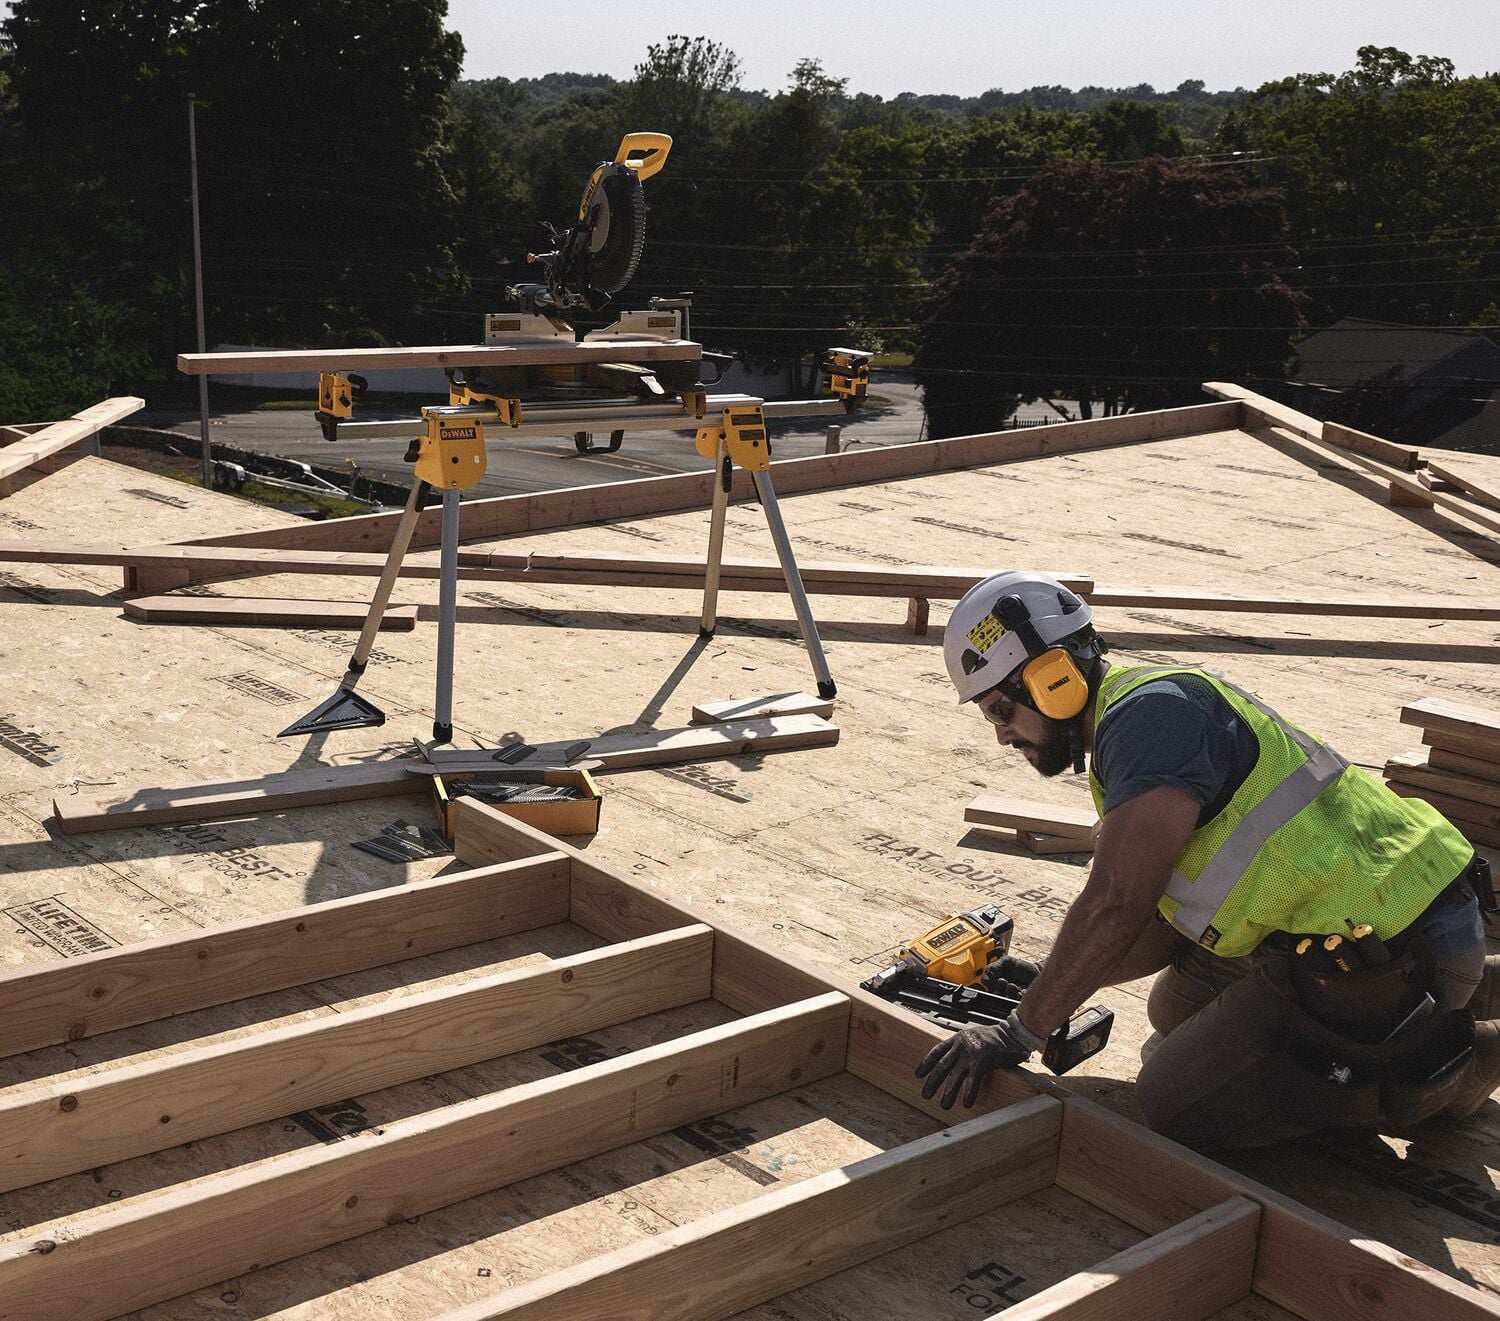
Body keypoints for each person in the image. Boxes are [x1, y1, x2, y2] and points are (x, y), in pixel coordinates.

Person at [915, 570, 1500, 1151]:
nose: (1002, 737)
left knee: (1179, 1105)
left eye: (999, 712)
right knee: (1174, 1008)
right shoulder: (1139, 717)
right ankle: (1462, 993)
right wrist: (1050, 984)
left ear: (1053, 681)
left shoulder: (1150, 722)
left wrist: (1018, 1031)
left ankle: (1459, 1066)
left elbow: (1117, 906)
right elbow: (1167, 917)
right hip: (1351, 934)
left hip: (1400, 946)